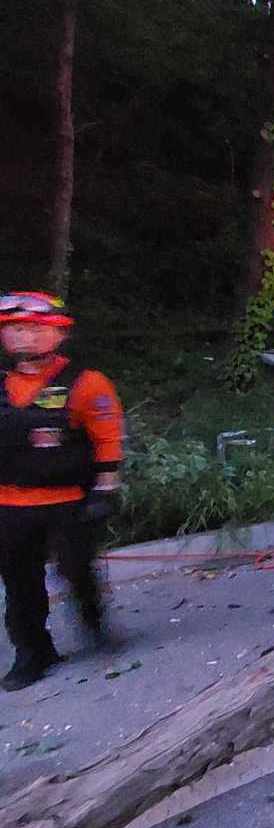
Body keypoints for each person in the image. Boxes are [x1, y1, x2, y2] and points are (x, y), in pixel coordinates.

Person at [0, 291, 124, 691]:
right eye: (15, 330)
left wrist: (106, 490)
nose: (24, 338)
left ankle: (94, 626)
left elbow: (107, 437)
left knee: (78, 571)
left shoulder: (86, 383)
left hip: (69, 500)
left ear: (57, 334)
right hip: (10, 504)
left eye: (34, 329)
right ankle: (32, 652)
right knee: (20, 585)